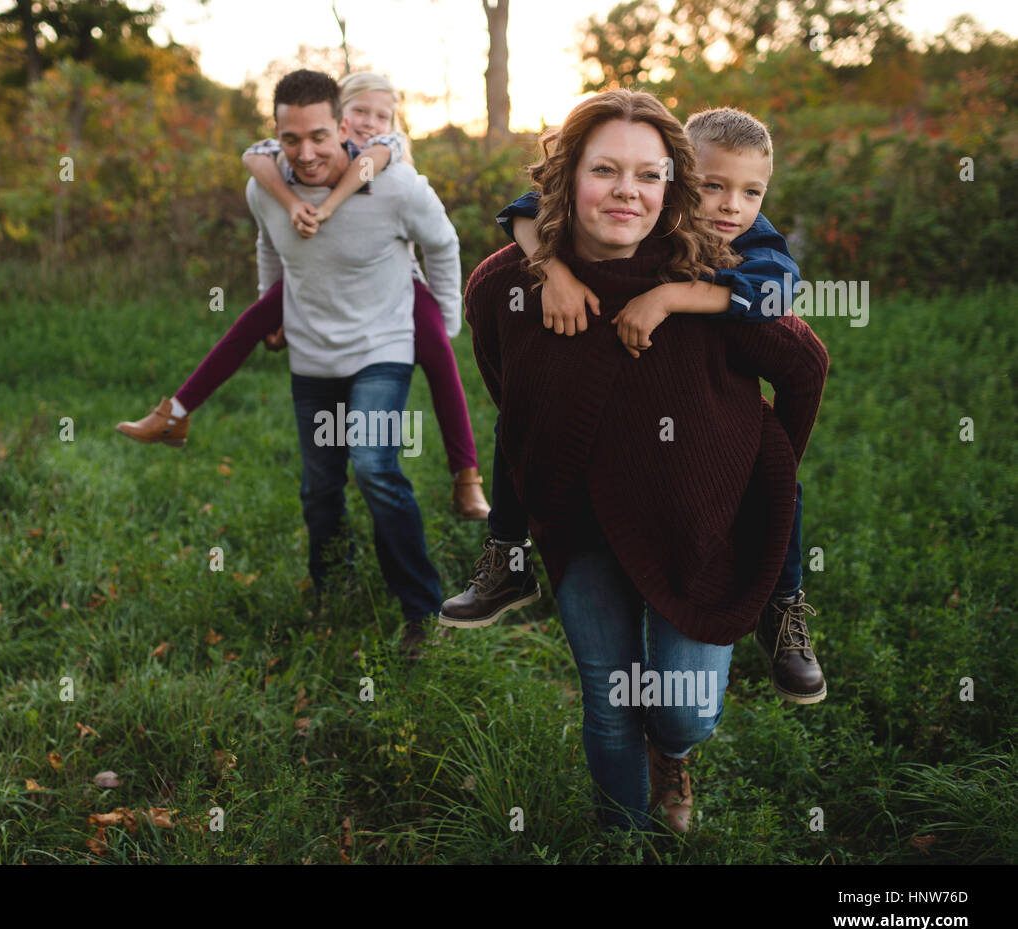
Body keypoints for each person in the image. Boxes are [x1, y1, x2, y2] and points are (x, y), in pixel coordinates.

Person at [461, 89, 829, 831]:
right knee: (609, 691)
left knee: (684, 710)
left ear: (672, 183)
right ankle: (622, 839)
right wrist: (549, 270)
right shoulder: (509, 281)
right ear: (566, 177)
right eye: (605, 169)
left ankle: (675, 753)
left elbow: (804, 367)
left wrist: (762, 465)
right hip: (583, 517)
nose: (627, 190)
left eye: (648, 174)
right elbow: (512, 386)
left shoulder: (714, 270)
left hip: (701, 517)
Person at [115, 72, 490, 521]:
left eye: (383, 116)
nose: (371, 123)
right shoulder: (294, 151)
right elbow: (255, 160)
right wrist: (287, 225)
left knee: (439, 354)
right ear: (340, 117)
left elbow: (432, 230)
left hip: (397, 283)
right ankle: (175, 410)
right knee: (253, 320)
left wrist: (448, 318)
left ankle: (466, 476)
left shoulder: (389, 158)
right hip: (313, 278)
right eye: (361, 112)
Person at [218, 69, 459, 656]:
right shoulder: (265, 186)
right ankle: (334, 590)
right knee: (319, 487)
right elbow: (268, 243)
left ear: (342, 126)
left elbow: (443, 242)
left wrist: (445, 327)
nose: (305, 153)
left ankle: (421, 612)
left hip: (382, 348)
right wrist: (268, 308)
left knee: (375, 466)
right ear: (276, 133)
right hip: (312, 353)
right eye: (291, 138)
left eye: (319, 137)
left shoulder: (395, 185)